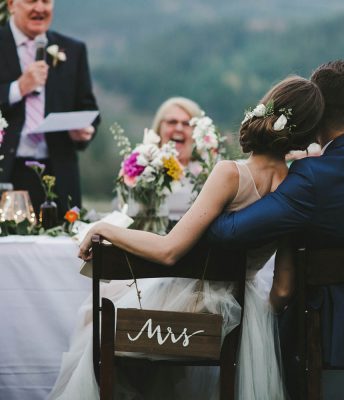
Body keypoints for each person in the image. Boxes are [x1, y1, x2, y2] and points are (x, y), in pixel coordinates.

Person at [50, 76, 325, 399]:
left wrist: (105, 229)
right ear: (308, 131)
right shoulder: (297, 187)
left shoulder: (230, 173)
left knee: (91, 322)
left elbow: (169, 251)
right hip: (245, 312)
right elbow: (282, 289)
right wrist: (254, 323)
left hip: (193, 302)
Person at [207, 60, 344, 398]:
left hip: (336, 331)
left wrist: (222, 196)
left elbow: (229, 233)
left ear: (317, 109)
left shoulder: (311, 175)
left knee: (283, 307)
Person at [0, 0, 100, 215]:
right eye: (30, 1)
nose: (40, 8)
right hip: (7, 172)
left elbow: (88, 107)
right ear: (11, 4)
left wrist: (84, 132)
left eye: (46, 1)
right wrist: (18, 88)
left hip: (59, 173)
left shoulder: (73, 50)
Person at [151, 96, 205, 220]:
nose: (179, 128)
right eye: (172, 122)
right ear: (159, 128)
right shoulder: (141, 167)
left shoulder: (209, 170)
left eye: (187, 124)